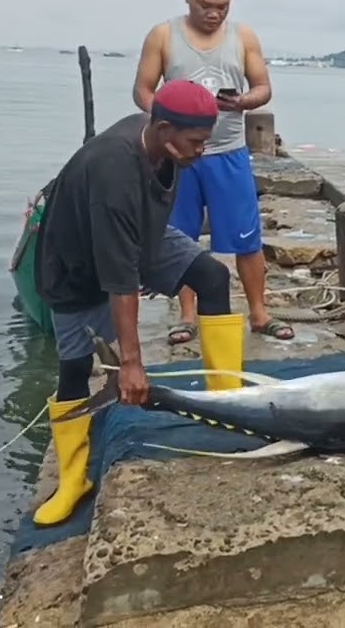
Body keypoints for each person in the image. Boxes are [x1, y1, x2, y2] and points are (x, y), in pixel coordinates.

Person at [31, 81, 248, 527]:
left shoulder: (165, 143)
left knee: (212, 277)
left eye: (206, 141)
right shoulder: (113, 170)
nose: (201, 152)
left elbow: (136, 238)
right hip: (74, 267)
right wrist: (132, 362)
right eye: (196, 143)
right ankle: (73, 480)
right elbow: (120, 279)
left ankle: (228, 407)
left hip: (138, 236)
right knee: (74, 370)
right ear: (165, 127)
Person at [132, 0, 294, 344]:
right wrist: (168, 116)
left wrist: (242, 101)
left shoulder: (243, 37)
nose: (213, 13)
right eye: (205, 4)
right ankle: (187, 316)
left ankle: (258, 312)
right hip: (178, 157)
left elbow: (263, 87)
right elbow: (142, 90)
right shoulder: (163, 36)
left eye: (222, 6)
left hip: (229, 152)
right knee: (179, 238)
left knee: (246, 239)